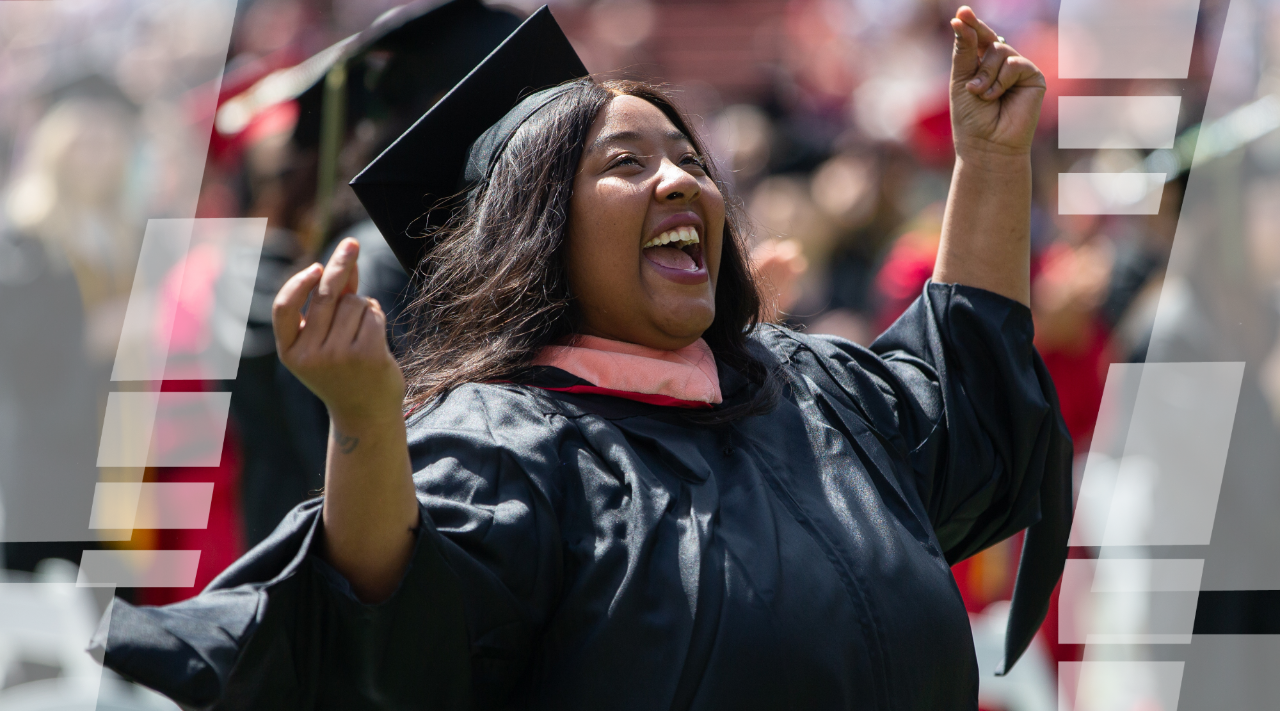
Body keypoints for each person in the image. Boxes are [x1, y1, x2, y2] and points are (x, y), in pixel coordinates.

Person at [90, 6, 1071, 709]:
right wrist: (362, 420)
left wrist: (987, 164)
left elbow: (965, 402)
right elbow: (395, 642)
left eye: (686, 156)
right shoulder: (503, 441)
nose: (679, 178)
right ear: (540, 230)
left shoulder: (808, 390)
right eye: (625, 163)